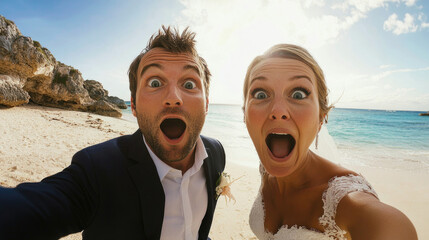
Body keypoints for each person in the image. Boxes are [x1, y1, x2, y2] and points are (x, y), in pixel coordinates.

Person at [0, 26, 225, 240]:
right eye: (155, 82)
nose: (174, 97)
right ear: (134, 106)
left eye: (189, 84)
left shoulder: (216, 153)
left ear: (206, 104)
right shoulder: (96, 170)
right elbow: (28, 210)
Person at [243, 44, 417, 240]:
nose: (278, 111)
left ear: (321, 118)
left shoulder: (346, 200)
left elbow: (389, 227)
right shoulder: (266, 167)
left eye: (298, 94)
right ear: (244, 114)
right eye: (260, 94)